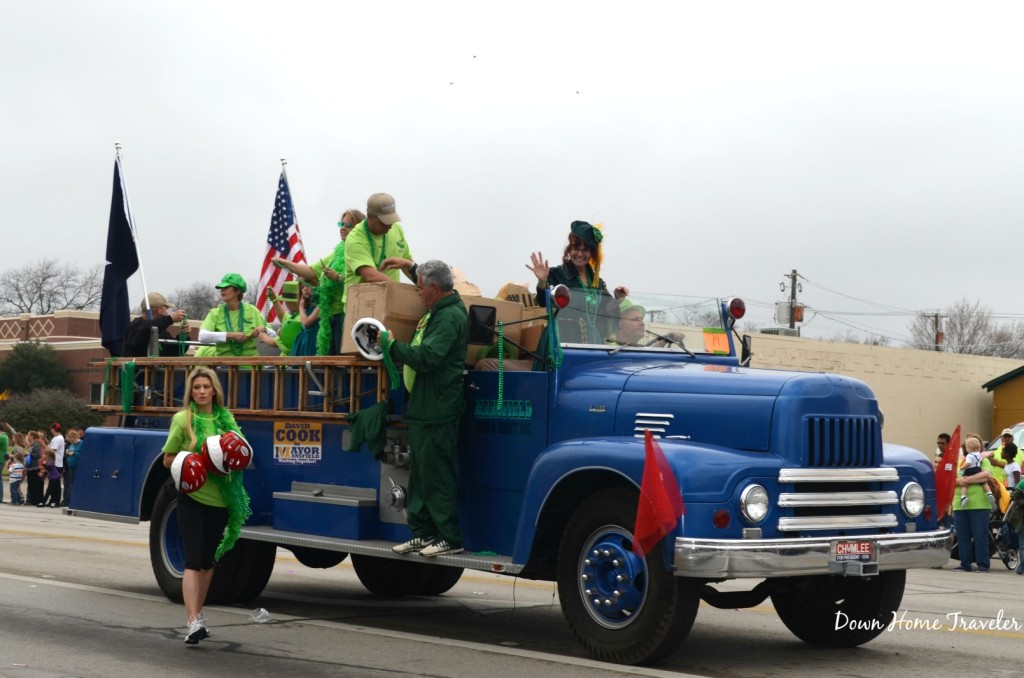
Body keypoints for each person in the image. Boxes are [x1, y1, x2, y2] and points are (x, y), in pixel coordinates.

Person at [161, 366, 252, 644]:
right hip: (192, 497)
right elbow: (167, 459)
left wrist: (231, 456)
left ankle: (199, 616)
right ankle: (192, 621)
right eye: (196, 387)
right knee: (193, 559)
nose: (201, 392)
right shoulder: (182, 420)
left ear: (214, 390)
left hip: (220, 499)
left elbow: (242, 453)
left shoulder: (226, 420)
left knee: (208, 561)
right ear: (191, 391)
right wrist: (192, 463)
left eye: (206, 387)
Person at [385, 260, 468, 558]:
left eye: (420, 287)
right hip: (424, 407)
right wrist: (410, 266)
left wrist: (391, 345)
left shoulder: (449, 317)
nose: (417, 292)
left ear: (434, 288)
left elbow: (428, 357)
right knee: (420, 474)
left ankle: (449, 537)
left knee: (436, 475)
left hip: (438, 408)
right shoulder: (438, 308)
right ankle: (422, 533)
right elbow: (426, 278)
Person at [526, 220, 628, 344]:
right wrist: (542, 281)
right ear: (569, 250)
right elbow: (543, 302)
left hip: (592, 340)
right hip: (562, 339)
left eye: (585, 249)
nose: (580, 254)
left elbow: (604, 311)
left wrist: (617, 299)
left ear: (592, 253)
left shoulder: (597, 282)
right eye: (576, 248)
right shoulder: (556, 274)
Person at [348, 193, 417, 303]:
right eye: (385, 221)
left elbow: (406, 263)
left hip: (391, 301)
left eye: (392, 220)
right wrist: (402, 295)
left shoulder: (396, 229)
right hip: (361, 304)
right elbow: (370, 275)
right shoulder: (355, 239)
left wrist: (422, 286)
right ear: (369, 216)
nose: (390, 226)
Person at [197, 273, 276, 357]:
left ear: (237, 291)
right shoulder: (215, 313)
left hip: (250, 365)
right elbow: (202, 336)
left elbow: (273, 334)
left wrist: (264, 330)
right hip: (224, 365)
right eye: (221, 288)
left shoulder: (252, 310)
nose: (222, 290)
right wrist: (230, 335)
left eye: (226, 287)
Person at [952, 436, 995, 572]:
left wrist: (965, 480)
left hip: (979, 504)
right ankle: (965, 563)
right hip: (959, 504)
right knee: (962, 536)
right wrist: (959, 481)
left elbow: (987, 474)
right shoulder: (959, 461)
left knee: (979, 535)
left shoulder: (984, 460)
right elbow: (950, 479)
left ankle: (983, 564)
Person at [123, 292, 188, 357]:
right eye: (166, 308)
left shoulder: (161, 330)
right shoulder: (136, 325)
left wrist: (184, 334)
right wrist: (170, 319)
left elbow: (174, 352)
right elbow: (147, 329)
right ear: (159, 309)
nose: (167, 312)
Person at [266, 281, 303, 355]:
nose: (285, 304)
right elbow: (284, 317)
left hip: (290, 364)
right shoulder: (297, 315)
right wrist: (274, 300)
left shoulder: (299, 320)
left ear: (292, 302)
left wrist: (264, 338)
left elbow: (285, 345)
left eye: (286, 301)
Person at [289, 284, 320, 357]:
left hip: (314, 340)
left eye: (308, 285)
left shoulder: (319, 306)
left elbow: (306, 323)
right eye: (302, 287)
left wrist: (301, 307)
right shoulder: (306, 307)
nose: (305, 289)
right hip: (303, 341)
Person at [24, 432, 44, 507]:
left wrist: (29, 453)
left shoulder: (36, 445)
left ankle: (36, 500)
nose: (27, 436)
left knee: (35, 485)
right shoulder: (30, 445)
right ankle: (31, 500)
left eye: (29, 435)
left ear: (32, 436)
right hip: (29, 467)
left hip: (35, 467)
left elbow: (38, 455)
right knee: (31, 485)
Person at [62, 429, 81, 507]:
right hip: (70, 466)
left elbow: (81, 454)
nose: (71, 441)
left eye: (71, 439)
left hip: (76, 466)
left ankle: (74, 500)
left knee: (74, 484)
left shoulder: (80, 444)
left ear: (74, 437)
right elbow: (68, 449)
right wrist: (67, 452)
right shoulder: (71, 445)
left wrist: (73, 453)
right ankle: (70, 500)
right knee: (70, 483)